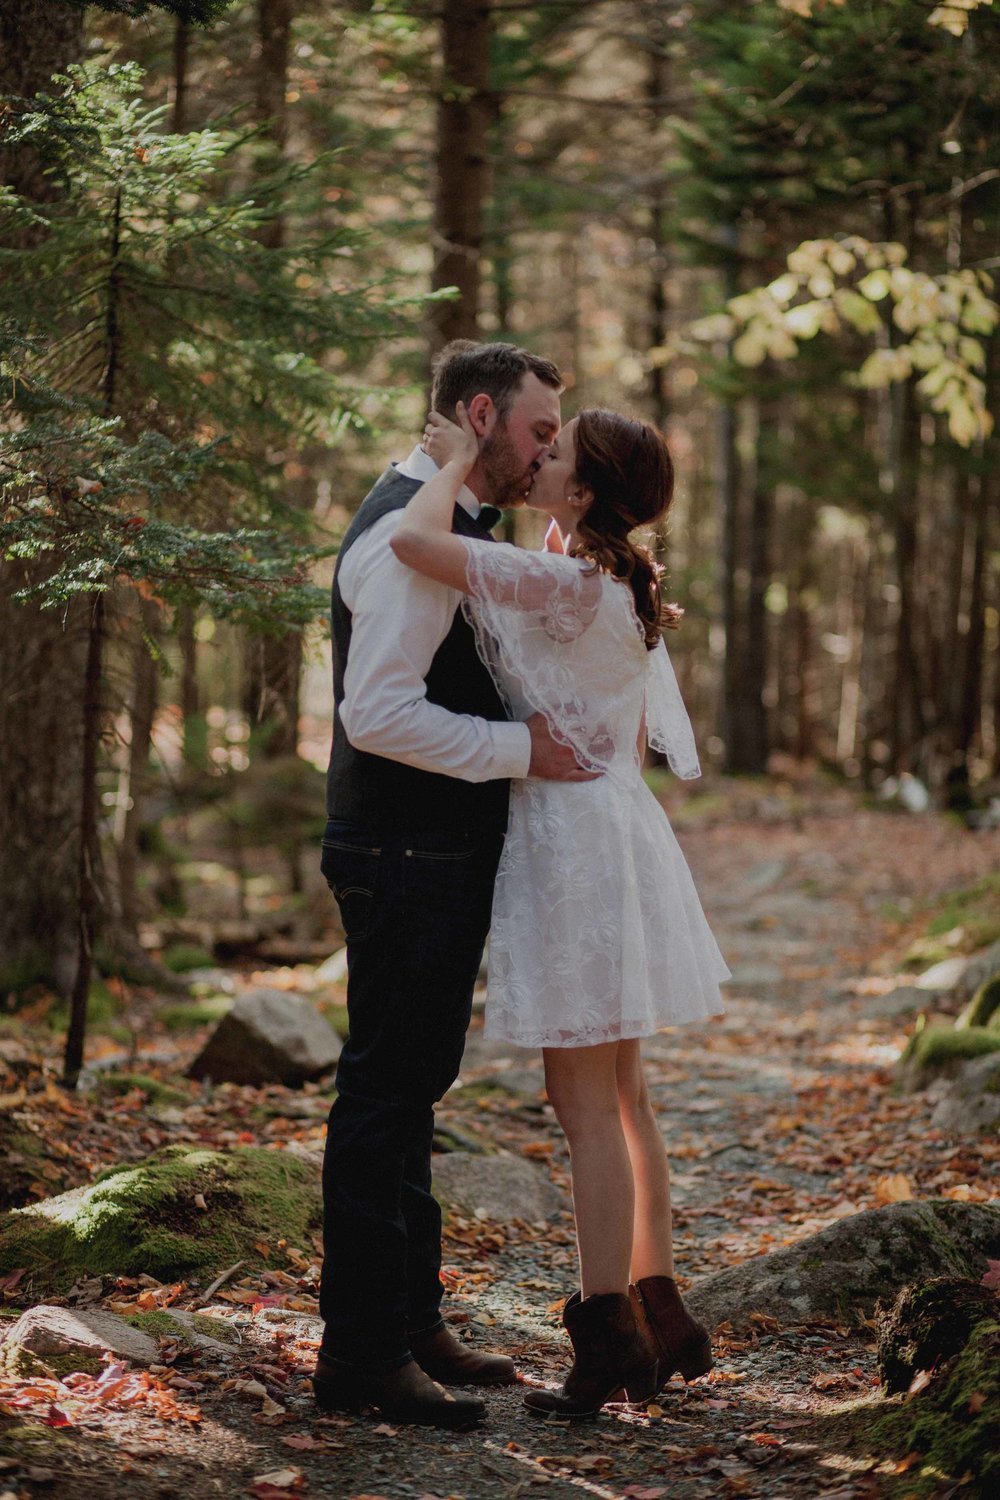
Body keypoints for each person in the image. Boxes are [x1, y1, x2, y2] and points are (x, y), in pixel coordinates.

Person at [390, 402, 730, 1421]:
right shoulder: (615, 578)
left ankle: (605, 1334)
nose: (536, 458)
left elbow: (412, 541)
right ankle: (660, 1309)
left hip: (574, 846)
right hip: (614, 830)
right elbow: (623, 738)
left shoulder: (561, 578)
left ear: (581, 493)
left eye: (556, 454)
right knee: (623, 1095)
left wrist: (447, 464)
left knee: (583, 1103)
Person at [315, 341, 598, 1433]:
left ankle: (410, 1319)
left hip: (425, 852)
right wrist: (521, 749)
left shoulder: (450, 525)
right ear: (478, 417)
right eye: (536, 431)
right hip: (400, 853)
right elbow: (374, 714)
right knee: (384, 1094)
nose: (544, 452)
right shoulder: (401, 538)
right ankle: (359, 1356)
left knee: (413, 1086)